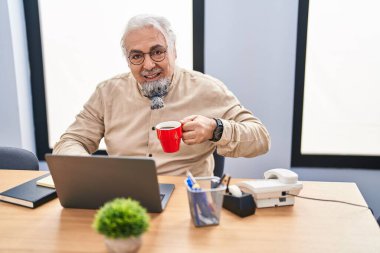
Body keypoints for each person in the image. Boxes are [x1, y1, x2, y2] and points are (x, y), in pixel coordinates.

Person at [53, 14, 270, 176]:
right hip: (127, 201)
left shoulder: (208, 89)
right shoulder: (107, 92)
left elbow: (260, 138)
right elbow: (71, 140)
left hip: (187, 202)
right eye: (136, 56)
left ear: (175, 51)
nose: (148, 65)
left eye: (158, 52)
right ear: (128, 61)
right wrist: (88, 169)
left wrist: (216, 129)